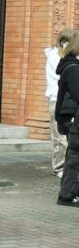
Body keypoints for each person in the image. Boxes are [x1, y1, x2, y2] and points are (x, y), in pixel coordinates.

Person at [55, 30, 79, 207]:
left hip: (72, 119)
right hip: (73, 120)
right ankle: (68, 195)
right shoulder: (73, 69)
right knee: (74, 159)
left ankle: (69, 194)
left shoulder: (71, 66)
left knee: (74, 158)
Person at [46, 29, 72, 178]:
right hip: (57, 99)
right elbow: (63, 75)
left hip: (68, 99)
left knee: (68, 135)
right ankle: (59, 167)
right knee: (59, 136)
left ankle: (67, 166)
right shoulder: (55, 56)